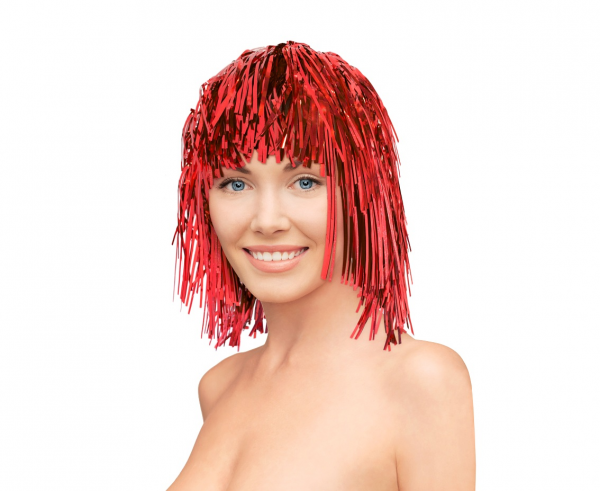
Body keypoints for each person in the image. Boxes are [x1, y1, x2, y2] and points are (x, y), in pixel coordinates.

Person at [168, 41, 475, 491]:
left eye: (305, 181)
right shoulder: (219, 386)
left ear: (365, 191)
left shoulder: (422, 381)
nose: (266, 221)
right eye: (235, 183)